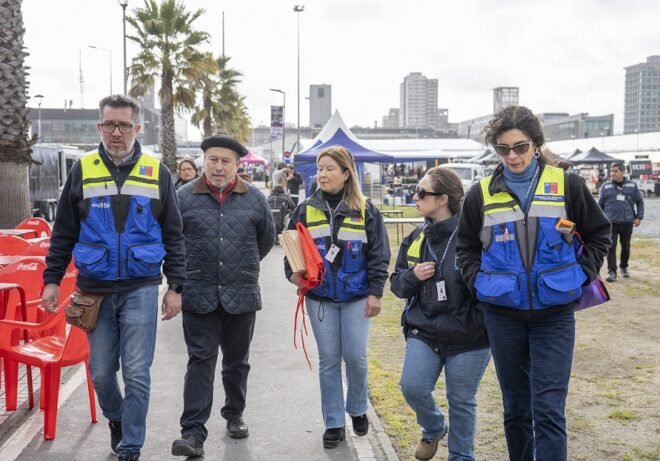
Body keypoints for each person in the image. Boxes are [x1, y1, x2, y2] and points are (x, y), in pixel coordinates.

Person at [456, 106, 611, 461]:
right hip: (502, 314)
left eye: (520, 147)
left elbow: (601, 233)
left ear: (536, 144)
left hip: (554, 314)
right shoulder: (479, 194)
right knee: (516, 409)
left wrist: (582, 273)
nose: (512, 156)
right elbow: (464, 247)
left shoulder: (567, 184)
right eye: (503, 149)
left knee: (549, 409)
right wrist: (476, 281)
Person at [41, 94, 186, 461]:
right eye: (110, 124)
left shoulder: (157, 172)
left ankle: (130, 447)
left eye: (124, 125)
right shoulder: (83, 169)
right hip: (95, 288)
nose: (116, 132)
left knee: (137, 371)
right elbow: (64, 231)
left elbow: (173, 232)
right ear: (100, 126)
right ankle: (117, 420)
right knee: (102, 373)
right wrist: (52, 278)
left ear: (137, 128)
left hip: (141, 286)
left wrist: (176, 286)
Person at [171, 134, 275, 457]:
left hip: (241, 293)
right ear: (204, 160)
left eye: (225, 161)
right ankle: (192, 433)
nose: (218, 166)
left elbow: (266, 240)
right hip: (198, 292)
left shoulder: (255, 199)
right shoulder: (183, 198)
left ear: (236, 165)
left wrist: (240, 266)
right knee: (200, 359)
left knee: (236, 362)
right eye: (213, 159)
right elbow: (173, 242)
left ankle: (234, 415)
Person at [284, 146, 390, 449]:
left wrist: (375, 293)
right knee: (329, 360)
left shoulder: (366, 209)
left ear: (346, 173)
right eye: (320, 168)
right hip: (320, 298)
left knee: (355, 357)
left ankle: (357, 409)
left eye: (330, 168)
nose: (322, 174)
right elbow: (290, 249)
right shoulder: (304, 208)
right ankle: (333, 422)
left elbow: (379, 255)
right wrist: (293, 274)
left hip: (357, 297)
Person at [391, 167, 490, 461]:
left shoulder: (474, 236)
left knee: (461, 400)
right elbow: (397, 284)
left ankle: (461, 457)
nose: (415, 197)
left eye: (422, 192)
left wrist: (481, 322)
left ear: (443, 198)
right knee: (412, 387)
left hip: (469, 335)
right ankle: (434, 427)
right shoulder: (415, 237)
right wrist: (412, 276)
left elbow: (491, 284)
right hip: (425, 330)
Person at [598, 162, 644, 282]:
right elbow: (599, 206)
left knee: (626, 246)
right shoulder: (605, 186)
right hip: (610, 223)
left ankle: (624, 267)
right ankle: (612, 272)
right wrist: (600, 221)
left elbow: (639, 202)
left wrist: (639, 217)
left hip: (627, 222)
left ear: (623, 172)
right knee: (611, 247)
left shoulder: (632, 186)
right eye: (612, 171)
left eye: (616, 171)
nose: (613, 173)